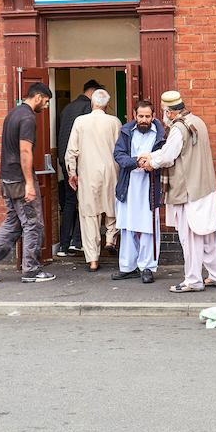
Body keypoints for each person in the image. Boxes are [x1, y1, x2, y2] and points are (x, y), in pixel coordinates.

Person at [139, 90, 216, 293]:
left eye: (164, 112)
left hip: (188, 190)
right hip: (205, 186)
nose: (163, 117)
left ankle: (193, 280)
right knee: (210, 234)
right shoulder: (197, 121)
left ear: (169, 112)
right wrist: (151, 155)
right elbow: (177, 151)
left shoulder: (179, 128)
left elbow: (169, 156)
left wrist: (151, 161)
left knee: (191, 237)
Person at [0, 83, 56, 283]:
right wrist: (29, 183)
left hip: (6, 177)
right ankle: (31, 271)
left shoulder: (13, 114)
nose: (45, 105)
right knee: (33, 224)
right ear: (37, 97)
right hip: (19, 179)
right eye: (45, 101)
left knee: (14, 222)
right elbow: (25, 151)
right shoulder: (27, 118)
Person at [66, 89, 121, 272]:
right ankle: (110, 239)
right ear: (106, 104)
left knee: (89, 215)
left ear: (92, 103)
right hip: (111, 170)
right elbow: (121, 149)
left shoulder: (80, 122)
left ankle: (93, 259)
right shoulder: (115, 122)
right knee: (112, 208)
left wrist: (71, 172)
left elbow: (72, 151)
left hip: (88, 172)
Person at [111, 100, 165, 284]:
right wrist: (136, 162)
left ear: (153, 116)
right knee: (127, 227)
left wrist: (150, 163)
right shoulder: (126, 132)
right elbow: (118, 154)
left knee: (149, 229)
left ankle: (147, 267)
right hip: (129, 185)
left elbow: (164, 157)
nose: (144, 119)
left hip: (150, 187)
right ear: (134, 115)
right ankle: (127, 267)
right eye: (140, 116)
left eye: (147, 116)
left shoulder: (161, 134)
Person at [56, 79, 104, 258]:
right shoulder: (87, 109)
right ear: (93, 94)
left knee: (69, 202)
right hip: (81, 162)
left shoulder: (67, 108)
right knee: (86, 202)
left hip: (65, 159)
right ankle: (78, 242)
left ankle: (63, 245)